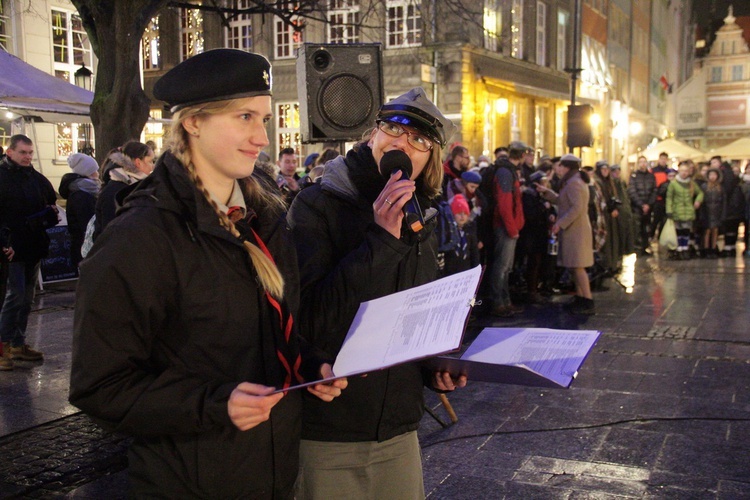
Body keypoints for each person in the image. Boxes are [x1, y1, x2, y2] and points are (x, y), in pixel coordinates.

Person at [68, 49, 346, 497]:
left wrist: (309, 365)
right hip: (187, 482)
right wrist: (214, 404)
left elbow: (274, 329)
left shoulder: (265, 217)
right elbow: (99, 386)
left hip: (273, 472)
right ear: (193, 123)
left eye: (264, 119)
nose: (261, 138)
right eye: (244, 117)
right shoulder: (141, 235)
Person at [287, 87, 466, 499]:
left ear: (429, 159)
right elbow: (311, 319)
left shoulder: (423, 213)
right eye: (394, 129)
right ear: (373, 135)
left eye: (419, 140)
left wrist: (434, 366)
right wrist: (381, 239)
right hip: (330, 430)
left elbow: (410, 314)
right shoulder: (317, 204)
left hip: (399, 427)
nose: (402, 143)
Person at [0, 134, 58, 367]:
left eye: (30, 152)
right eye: (23, 152)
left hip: (32, 244)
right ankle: (3, 347)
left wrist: (49, 213)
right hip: (11, 247)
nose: (27, 157)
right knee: (15, 296)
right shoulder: (3, 177)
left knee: (27, 298)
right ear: (10, 152)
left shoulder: (35, 177)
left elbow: (49, 199)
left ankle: (17, 343)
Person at [537, 154, 595, 315]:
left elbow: (576, 208)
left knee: (578, 266)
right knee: (574, 266)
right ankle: (581, 297)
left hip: (576, 230)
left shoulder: (575, 183)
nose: (558, 168)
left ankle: (587, 300)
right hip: (573, 229)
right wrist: (547, 192)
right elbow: (564, 201)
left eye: (561, 166)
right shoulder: (572, 181)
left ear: (567, 167)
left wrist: (560, 223)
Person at [487, 141, 526, 317]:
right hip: (505, 227)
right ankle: (498, 303)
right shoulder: (505, 172)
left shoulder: (506, 170)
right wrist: (512, 228)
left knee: (505, 267)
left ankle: (505, 301)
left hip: (508, 226)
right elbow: (504, 204)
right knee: (501, 266)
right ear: (523, 155)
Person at [93, 141, 154, 239]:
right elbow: (109, 232)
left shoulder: (138, 186)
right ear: (138, 162)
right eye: (150, 161)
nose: (152, 166)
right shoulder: (115, 190)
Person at [59, 153, 100, 267]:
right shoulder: (81, 195)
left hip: (84, 247)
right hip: (84, 248)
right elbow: (87, 224)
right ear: (88, 173)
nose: (98, 174)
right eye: (95, 170)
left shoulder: (83, 191)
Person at [666, 161, 703, 260]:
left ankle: (685, 249)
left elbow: (700, 193)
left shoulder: (691, 184)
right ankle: (679, 249)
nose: (684, 173)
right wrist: (669, 210)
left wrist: (698, 201)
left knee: (686, 231)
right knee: (679, 231)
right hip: (677, 211)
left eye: (686, 171)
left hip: (688, 211)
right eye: (682, 171)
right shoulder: (673, 184)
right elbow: (669, 198)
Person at [442, 194, 480, 276]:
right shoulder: (448, 231)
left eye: (465, 213)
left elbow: (474, 252)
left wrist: (476, 269)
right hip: (450, 271)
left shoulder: (470, 232)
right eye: (459, 213)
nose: (462, 216)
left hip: (466, 270)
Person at [628, 155, 657, 256]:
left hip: (648, 207)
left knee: (646, 228)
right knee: (638, 228)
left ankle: (645, 247)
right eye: (641, 162)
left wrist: (649, 204)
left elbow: (654, 190)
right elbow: (632, 191)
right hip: (637, 207)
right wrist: (641, 205)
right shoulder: (634, 176)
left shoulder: (651, 176)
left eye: (644, 162)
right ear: (638, 163)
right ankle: (638, 248)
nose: (643, 164)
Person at [699, 167, 725, 258]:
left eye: (714, 175)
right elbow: (701, 200)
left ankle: (713, 249)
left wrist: (722, 214)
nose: (712, 177)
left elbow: (723, 202)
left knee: (715, 231)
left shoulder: (720, 187)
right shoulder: (704, 186)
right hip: (707, 212)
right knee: (707, 231)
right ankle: (706, 249)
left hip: (717, 212)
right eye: (711, 175)